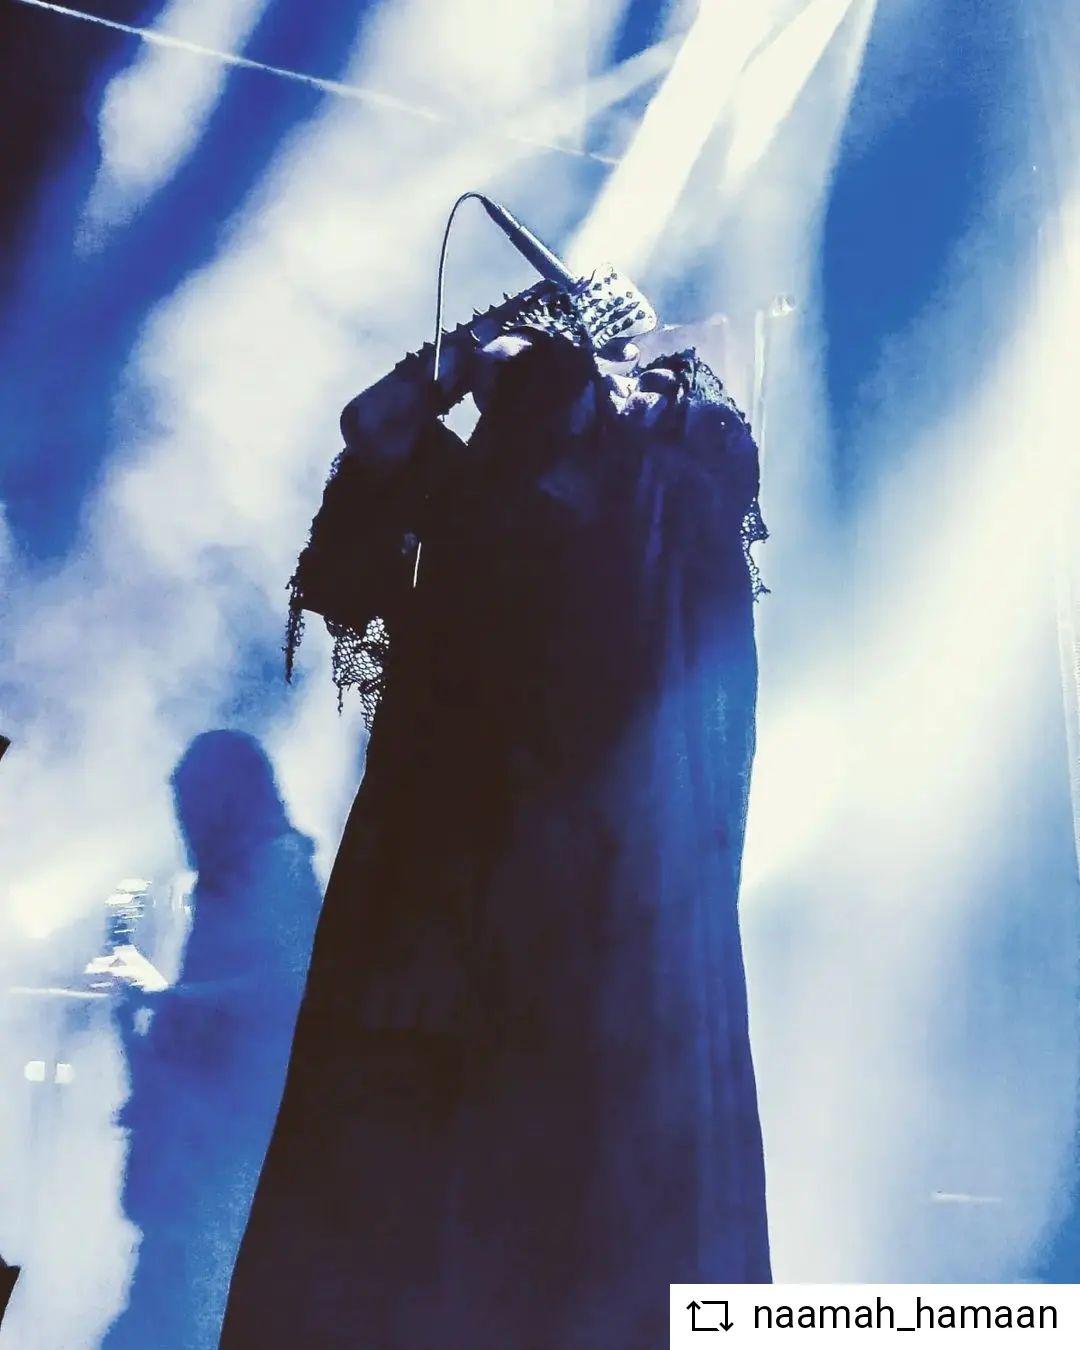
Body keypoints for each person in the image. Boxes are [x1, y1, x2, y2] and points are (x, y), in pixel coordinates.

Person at [222, 286, 772, 1348]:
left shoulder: (668, 474)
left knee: (572, 1173)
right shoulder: (487, 487)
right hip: (469, 886)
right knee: (448, 1172)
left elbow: (716, 441)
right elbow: (373, 424)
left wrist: (613, 354)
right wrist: (498, 326)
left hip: (597, 898)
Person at [104, 731, 320, 1350]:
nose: (184, 823)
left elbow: (288, 993)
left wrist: (171, 1001)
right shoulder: (225, 880)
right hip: (199, 1156)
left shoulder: (277, 866)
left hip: (230, 1153)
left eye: (191, 803)